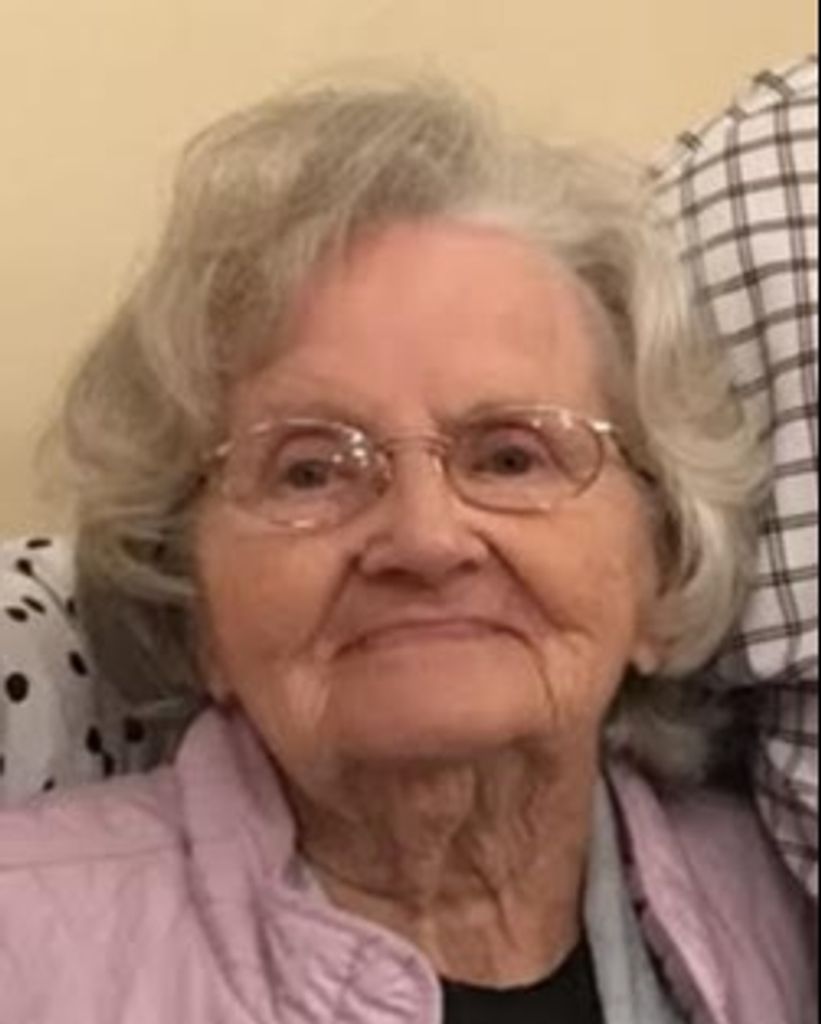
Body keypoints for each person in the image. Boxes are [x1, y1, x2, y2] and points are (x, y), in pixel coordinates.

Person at [0, 79, 813, 1024]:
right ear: (193, 605)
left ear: (661, 565)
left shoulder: (783, 902)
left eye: (510, 456)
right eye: (310, 471)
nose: (424, 538)